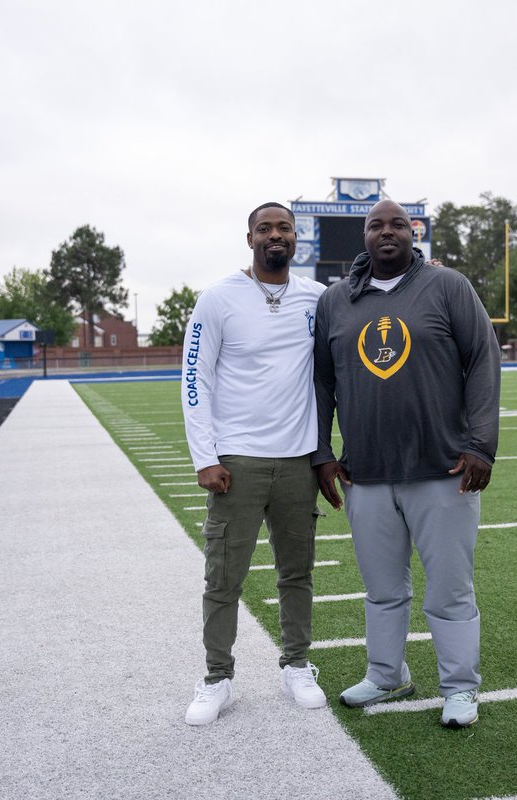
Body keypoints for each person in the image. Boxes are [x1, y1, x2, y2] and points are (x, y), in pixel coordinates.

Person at [312, 199, 501, 728]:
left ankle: (460, 687)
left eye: (397, 224)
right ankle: (386, 673)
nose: (387, 232)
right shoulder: (336, 300)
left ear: (412, 233)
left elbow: (484, 359)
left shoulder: (448, 287)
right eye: (376, 225)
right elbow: (323, 382)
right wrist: (324, 454)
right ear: (365, 236)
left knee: (450, 589)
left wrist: (481, 445)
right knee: (383, 588)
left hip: (441, 470)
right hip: (366, 472)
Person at [181, 202, 327, 725]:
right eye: (265, 228)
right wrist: (206, 457)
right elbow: (196, 378)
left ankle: (296, 664)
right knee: (223, 577)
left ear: (295, 239)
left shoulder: (317, 297)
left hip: (296, 460)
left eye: (284, 228)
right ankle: (217, 677)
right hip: (236, 460)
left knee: (297, 573)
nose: (275, 235)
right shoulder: (218, 299)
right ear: (249, 239)